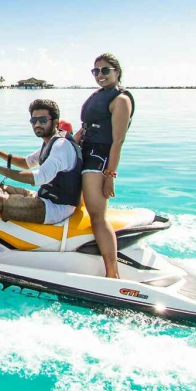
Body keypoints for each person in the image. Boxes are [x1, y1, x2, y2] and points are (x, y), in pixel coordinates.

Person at [0, 98, 81, 251]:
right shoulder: (51, 141)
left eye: (43, 120)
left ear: (55, 122)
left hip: (56, 208)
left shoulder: (61, 146)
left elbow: (37, 177)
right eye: (34, 120)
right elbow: (27, 162)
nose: (37, 124)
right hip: (45, 197)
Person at [76, 52, 134, 278]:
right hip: (84, 154)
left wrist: (110, 174)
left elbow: (118, 140)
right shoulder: (98, 95)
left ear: (117, 72)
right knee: (75, 204)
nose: (100, 75)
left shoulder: (121, 99)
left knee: (97, 216)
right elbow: (85, 127)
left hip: (98, 160)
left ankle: (112, 273)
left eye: (105, 70)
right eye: (96, 71)